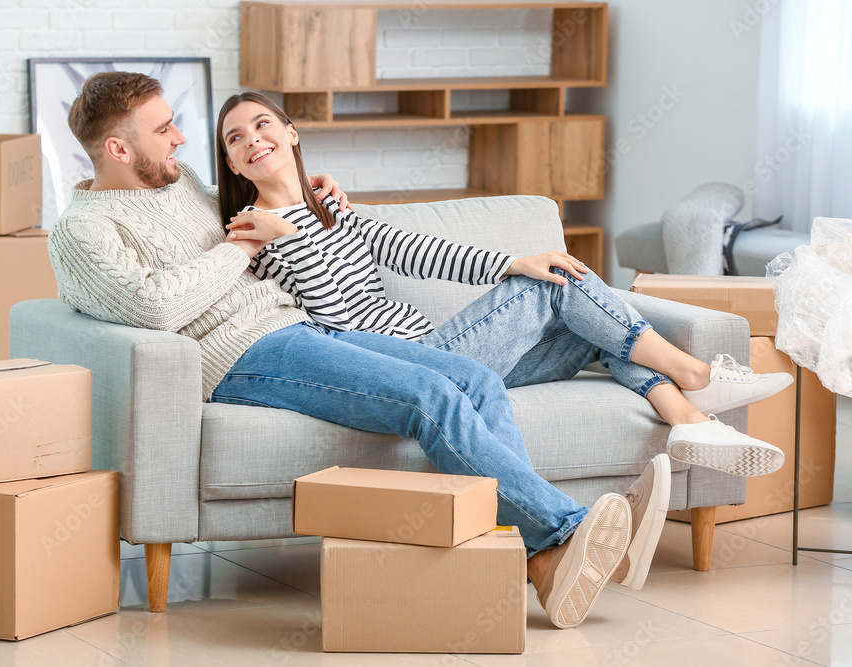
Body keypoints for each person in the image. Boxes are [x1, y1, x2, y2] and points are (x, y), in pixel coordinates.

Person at [48, 70, 667, 630]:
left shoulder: (180, 184)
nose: (180, 138)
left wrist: (310, 196)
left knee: (473, 382)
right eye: (163, 129)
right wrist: (239, 251)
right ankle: (563, 532)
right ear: (119, 149)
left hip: (301, 330)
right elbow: (154, 306)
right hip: (242, 353)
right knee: (428, 397)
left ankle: (531, 562)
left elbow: (258, 197)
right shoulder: (84, 230)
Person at [215, 91, 793, 481]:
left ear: (291, 134)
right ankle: (695, 376)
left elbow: (423, 251)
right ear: (234, 165)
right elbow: (330, 317)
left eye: (262, 124)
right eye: (235, 139)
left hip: (446, 347)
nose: (252, 140)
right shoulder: (253, 233)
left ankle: (687, 419)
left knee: (588, 321)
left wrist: (513, 261)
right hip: (410, 365)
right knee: (559, 285)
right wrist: (284, 233)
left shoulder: (339, 211)